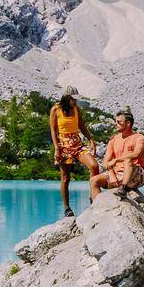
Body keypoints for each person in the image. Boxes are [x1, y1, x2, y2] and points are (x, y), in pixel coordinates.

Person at [49, 88, 97, 216]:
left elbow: (82, 126)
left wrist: (91, 139)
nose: (76, 101)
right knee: (65, 178)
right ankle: (67, 208)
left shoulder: (76, 109)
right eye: (74, 99)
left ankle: (93, 198)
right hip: (63, 144)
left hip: (77, 142)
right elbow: (53, 131)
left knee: (94, 166)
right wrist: (57, 148)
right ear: (67, 98)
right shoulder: (55, 109)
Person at [90, 108, 144, 202]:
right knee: (94, 180)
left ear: (128, 123)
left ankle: (123, 189)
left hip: (135, 174)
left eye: (118, 122)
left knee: (128, 160)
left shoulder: (139, 138)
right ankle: (95, 206)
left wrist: (116, 160)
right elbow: (106, 162)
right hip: (116, 175)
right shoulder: (113, 140)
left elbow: (136, 154)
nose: (115, 124)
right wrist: (111, 174)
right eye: (115, 121)